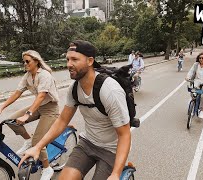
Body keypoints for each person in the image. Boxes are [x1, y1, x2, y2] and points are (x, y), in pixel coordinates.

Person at [19, 40, 131, 180]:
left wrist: (115, 174)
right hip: (88, 144)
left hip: (111, 149)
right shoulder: (74, 89)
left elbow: (124, 134)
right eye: (67, 59)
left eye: (74, 59)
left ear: (90, 61)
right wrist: (38, 146)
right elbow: (62, 121)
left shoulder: (110, 91)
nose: (68, 64)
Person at [0, 50, 59, 180]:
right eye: (24, 61)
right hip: (38, 107)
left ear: (36, 61)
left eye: (27, 61)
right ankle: (28, 140)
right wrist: (1, 108)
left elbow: (41, 96)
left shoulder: (44, 75)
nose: (25, 64)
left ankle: (47, 168)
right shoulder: (28, 75)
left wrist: (27, 115)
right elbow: (17, 93)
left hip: (50, 109)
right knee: (11, 120)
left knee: (38, 142)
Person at [185, 52, 203, 119]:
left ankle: (201, 111)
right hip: (196, 81)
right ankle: (192, 103)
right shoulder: (196, 64)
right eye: (200, 58)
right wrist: (188, 77)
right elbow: (191, 71)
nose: (201, 59)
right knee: (193, 92)